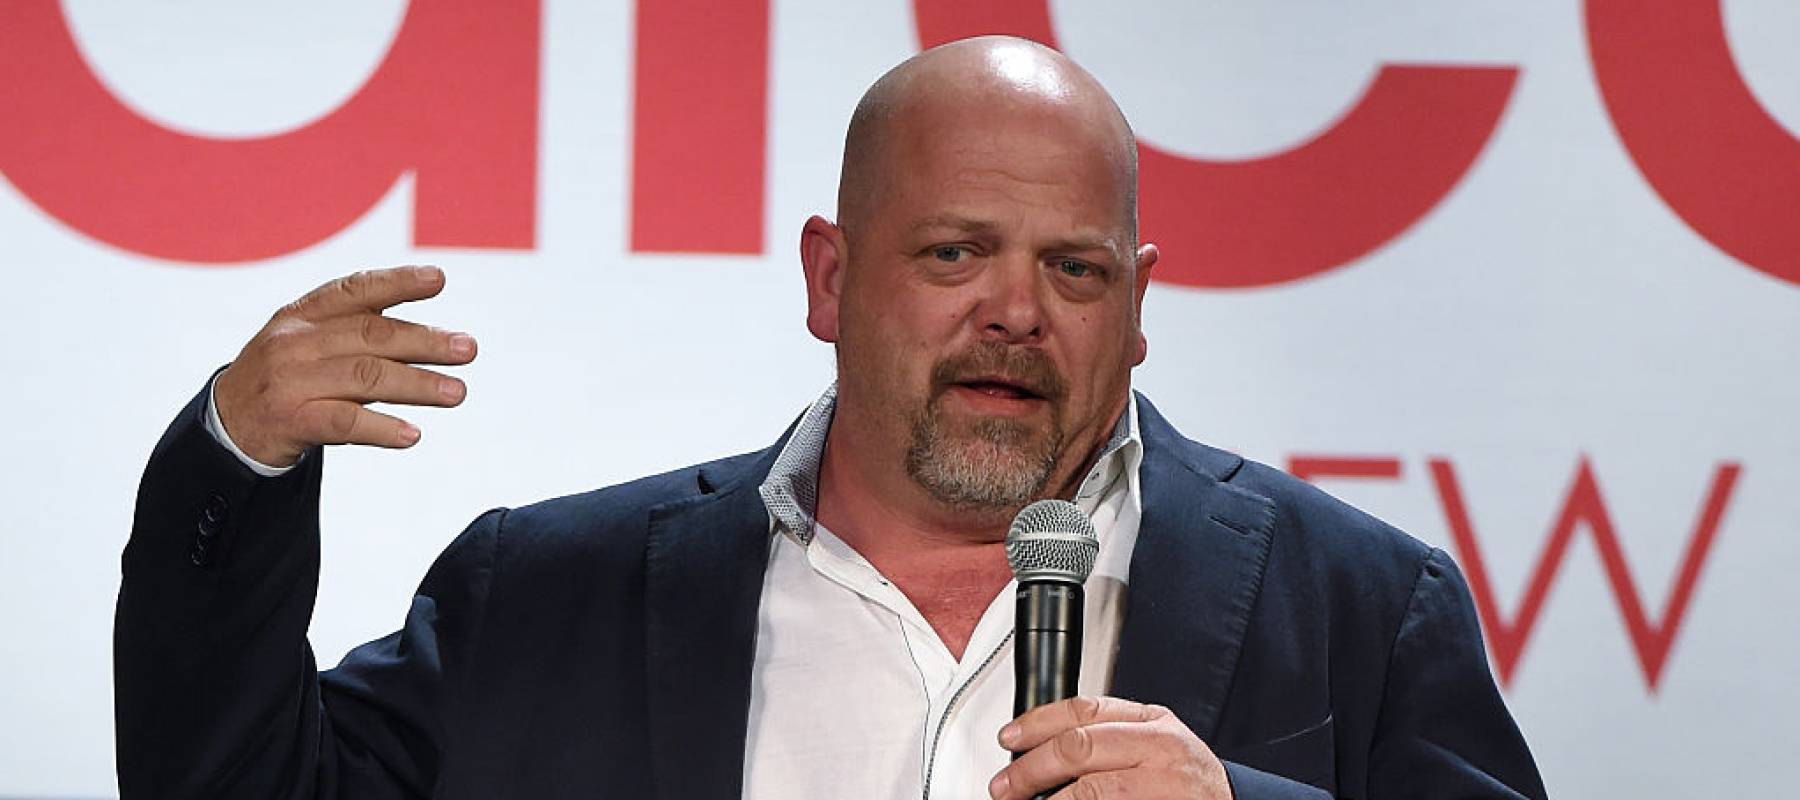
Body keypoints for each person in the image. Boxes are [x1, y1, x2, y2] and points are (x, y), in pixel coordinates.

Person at [116, 36, 1545, 799]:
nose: (1016, 311)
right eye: (952, 254)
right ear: (831, 276)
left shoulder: (1363, 604)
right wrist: (234, 463)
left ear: (1138, 300)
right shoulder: (547, 597)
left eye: (1074, 268)